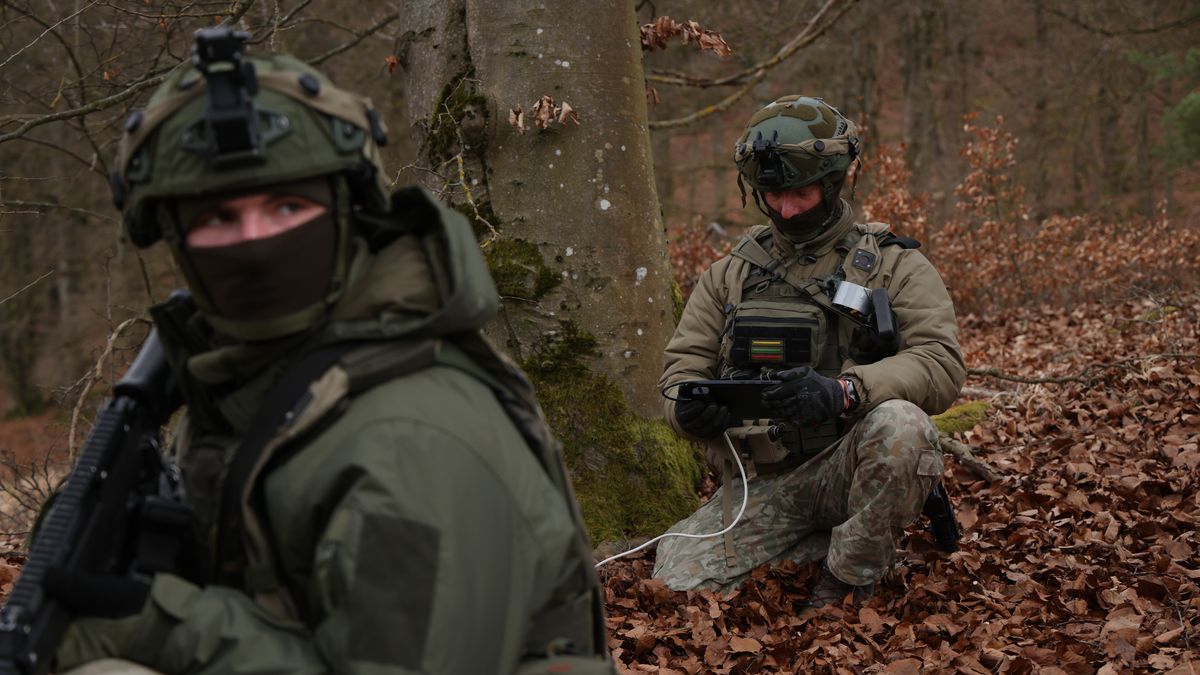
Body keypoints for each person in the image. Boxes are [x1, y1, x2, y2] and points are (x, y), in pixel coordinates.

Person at [52, 28, 616, 675]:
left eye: (287, 205)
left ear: (347, 210)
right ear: (176, 240)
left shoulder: (412, 438)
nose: (256, 243)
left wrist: (160, 623)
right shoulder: (261, 378)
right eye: (217, 218)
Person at [653, 95, 966, 610]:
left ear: (835, 180)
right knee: (674, 580)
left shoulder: (893, 265)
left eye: (799, 192)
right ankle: (838, 540)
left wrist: (845, 391)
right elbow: (680, 370)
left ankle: (846, 576)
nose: (786, 208)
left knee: (903, 426)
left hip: (848, 464)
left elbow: (940, 363)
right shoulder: (729, 274)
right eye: (771, 194)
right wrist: (686, 409)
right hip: (762, 483)